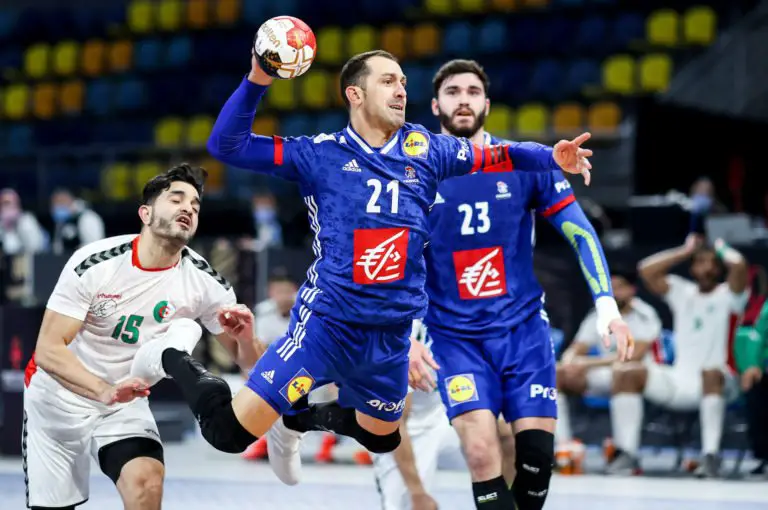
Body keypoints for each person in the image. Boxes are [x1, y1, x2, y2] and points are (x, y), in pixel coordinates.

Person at [129, 47, 595, 491]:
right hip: (328, 326)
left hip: (390, 336)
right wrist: (259, 77)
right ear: (355, 93)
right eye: (388, 81)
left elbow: (499, 155)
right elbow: (226, 144)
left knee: (381, 436)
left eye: (403, 82)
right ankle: (172, 356)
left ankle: (297, 418)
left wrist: (550, 157)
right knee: (228, 435)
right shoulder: (319, 155)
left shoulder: (427, 149)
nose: (401, 90)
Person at [414, 59, 633, 509]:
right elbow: (395, 262)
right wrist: (405, 334)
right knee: (480, 452)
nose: (463, 100)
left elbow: (580, 231)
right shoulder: (415, 172)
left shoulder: (524, 161)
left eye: (473, 92)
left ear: (487, 104)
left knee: (534, 460)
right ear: (435, 105)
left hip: (523, 331)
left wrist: (607, 306)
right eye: (453, 92)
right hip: (454, 337)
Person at [23, 164, 263, 510]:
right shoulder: (95, 263)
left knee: (147, 483)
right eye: (176, 200)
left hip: (124, 398)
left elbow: (249, 365)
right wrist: (102, 390)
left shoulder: (206, 282)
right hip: (58, 397)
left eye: (195, 206)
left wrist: (246, 338)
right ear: (145, 214)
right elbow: (48, 350)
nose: (188, 208)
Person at [609, 234, 748, 477]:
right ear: (692, 268)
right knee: (627, 372)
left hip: (723, 380)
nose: (705, 268)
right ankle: (627, 454)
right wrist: (685, 251)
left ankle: (711, 456)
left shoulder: (731, 295)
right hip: (679, 381)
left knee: (710, 372)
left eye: (711, 263)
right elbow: (646, 270)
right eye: (700, 262)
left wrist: (720, 247)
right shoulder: (682, 292)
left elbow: (738, 265)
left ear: (718, 268)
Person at [555, 267, 661, 466]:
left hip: (638, 377)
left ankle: (626, 453)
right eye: (610, 288)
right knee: (556, 374)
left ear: (632, 290)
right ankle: (564, 451)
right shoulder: (598, 314)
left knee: (623, 373)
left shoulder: (645, 314)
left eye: (620, 287)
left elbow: (633, 356)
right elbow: (577, 347)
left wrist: (587, 362)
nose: (614, 293)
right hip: (605, 376)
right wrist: (570, 361)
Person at [372, 320, 462, 510]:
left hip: (444, 416)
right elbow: (398, 423)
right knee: (409, 503)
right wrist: (417, 492)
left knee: (501, 437)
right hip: (405, 431)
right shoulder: (397, 333)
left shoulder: (456, 317)